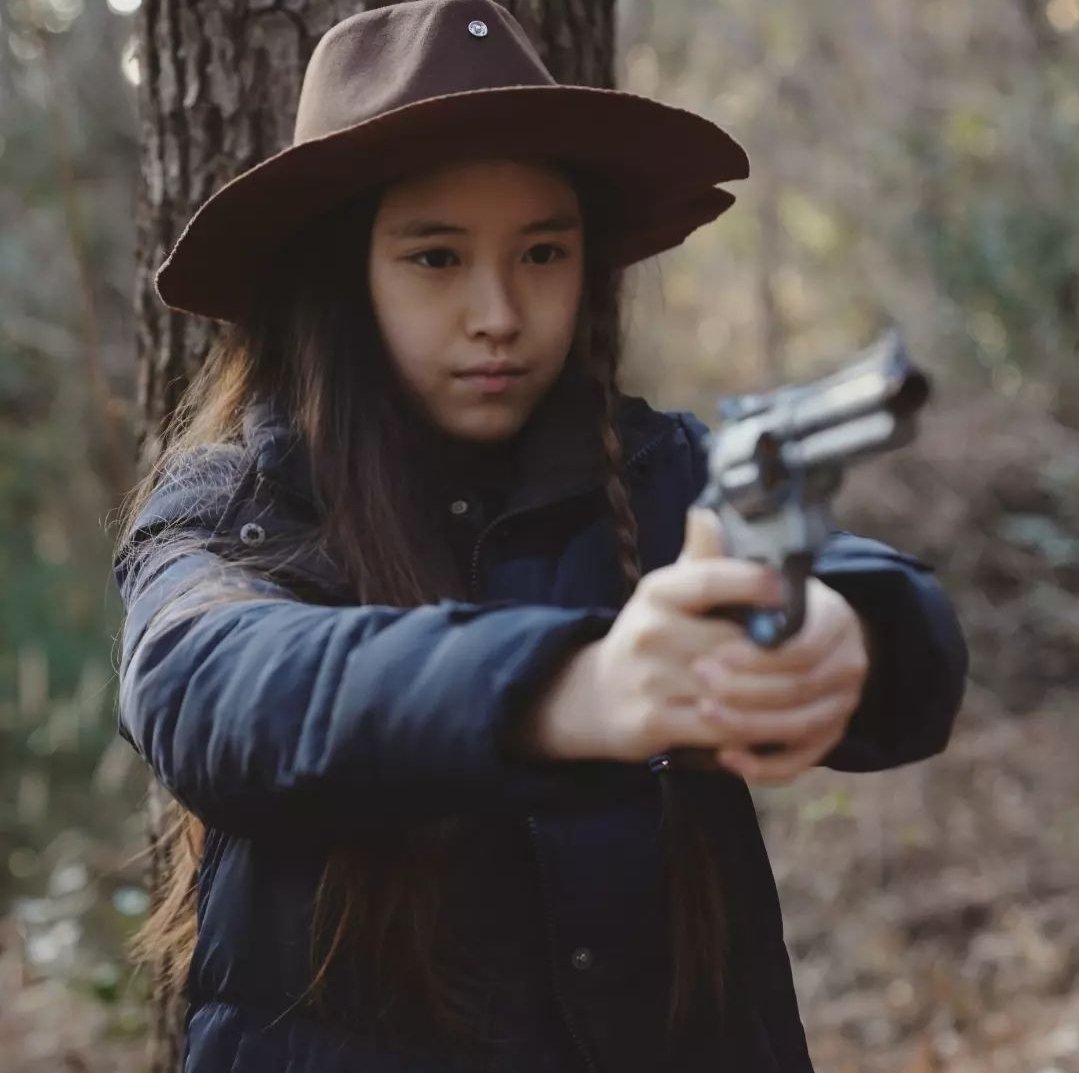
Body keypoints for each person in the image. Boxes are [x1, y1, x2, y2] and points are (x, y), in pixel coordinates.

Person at [111, 2, 969, 1070]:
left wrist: (847, 634)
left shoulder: (661, 471)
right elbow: (209, 687)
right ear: (339, 278)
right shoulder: (231, 501)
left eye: (543, 251)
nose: (500, 312)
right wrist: (571, 688)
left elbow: (897, 621)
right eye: (435, 257)